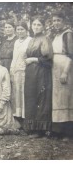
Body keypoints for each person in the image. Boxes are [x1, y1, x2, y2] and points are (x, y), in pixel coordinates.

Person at [23, 15, 53, 137]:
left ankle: (40, 130)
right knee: (30, 97)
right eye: (34, 24)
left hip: (41, 72)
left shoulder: (45, 39)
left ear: (43, 26)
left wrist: (34, 59)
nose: (36, 27)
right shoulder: (31, 40)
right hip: (30, 72)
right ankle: (31, 127)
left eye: (39, 25)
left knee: (40, 97)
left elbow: (49, 59)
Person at [51, 11, 73, 139]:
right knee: (58, 99)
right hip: (55, 69)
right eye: (54, 21)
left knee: (66, 99)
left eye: (58, 20)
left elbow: (71, 55)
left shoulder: (68, 34)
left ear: (64, 21)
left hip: (65, 67)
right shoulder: (57, 35)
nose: (56, 23)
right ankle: (58, 131)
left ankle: (68, 133)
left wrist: (65, 71)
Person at [10, 21, 32, 122]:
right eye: (18, 29)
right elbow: (14, 57)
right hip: (16, 71)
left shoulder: (30, 40)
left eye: (22, 29)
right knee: (16, 94)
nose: (20, 31)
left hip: (26, 71)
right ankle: (18, 118)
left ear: (26, 30)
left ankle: (26, 118)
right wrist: (11, 70)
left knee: (24, 93)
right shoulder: (16, 42)